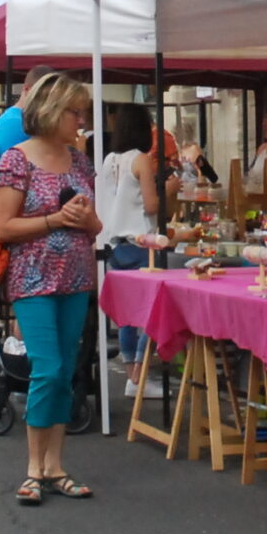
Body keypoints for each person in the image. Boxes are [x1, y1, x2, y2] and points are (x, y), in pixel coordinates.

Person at [0, 73, 100, 504]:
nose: (81, 120)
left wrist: (86, 220)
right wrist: (55, 220)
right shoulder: (17, 160)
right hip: (33, 278)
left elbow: (95, 226)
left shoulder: (80, 161)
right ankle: (34, 468)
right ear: (53, 111)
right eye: (76, 112)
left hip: (76, 277)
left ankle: (56, 466)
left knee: (66, 370)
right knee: (48, 368)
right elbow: (3, 227)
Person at [96, 104, 161, 369]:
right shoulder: (141, 159)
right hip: (140, 242)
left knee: (127, 313)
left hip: (113, 243)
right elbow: (151, 206)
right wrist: (168, 190)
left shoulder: (108, 159)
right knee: (151, 310)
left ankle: (131, 368)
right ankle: (141, 369)